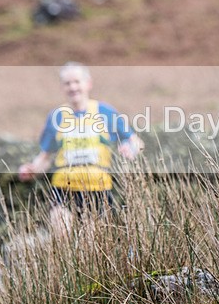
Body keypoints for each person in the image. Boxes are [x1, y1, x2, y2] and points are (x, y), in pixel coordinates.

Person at [18, 62, 142, 214]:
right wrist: (32, 169)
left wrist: (130, 149)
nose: (73, 87)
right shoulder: (56, 116)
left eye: (77, 82)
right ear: (62, 87)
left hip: (97, 187)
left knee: (92, 237)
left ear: (88, 84)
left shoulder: (105, 112)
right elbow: (45, 157)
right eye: (67, 83)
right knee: (61, 232)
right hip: (63, 187)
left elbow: (136, 142)